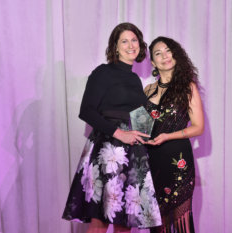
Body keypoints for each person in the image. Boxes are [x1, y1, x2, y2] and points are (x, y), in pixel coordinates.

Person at [62, 23, 162, 233]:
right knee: (100, 222)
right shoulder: (103, 72)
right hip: (108, 150)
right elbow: (87, 111)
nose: (130, 45)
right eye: (124, 41)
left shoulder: (135, 80)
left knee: (125, 222)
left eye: (134, 40)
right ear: (115, 47)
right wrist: (120, 134)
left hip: (133, 152)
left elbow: (141, 119)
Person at [144, 37, 204, 233]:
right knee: (157, 223)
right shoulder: (148, 90)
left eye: (168, 51)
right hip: (152, 161)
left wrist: (167, 136)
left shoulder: (188, 87)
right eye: (158, 54)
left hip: (179, 160)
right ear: (153, 62)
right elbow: (142, 126)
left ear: (175, 54)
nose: (164, 56)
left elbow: (198, 127)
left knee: (182, 223)